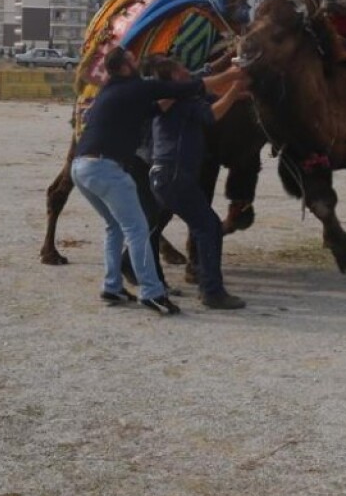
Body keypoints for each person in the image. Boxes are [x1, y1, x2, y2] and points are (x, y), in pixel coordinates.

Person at [70, 46, 243, 315]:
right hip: (106, 167)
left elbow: (157, 108)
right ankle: (152, 292)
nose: (136, 61)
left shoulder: (113, 90)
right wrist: (236, 74)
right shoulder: (138, 87)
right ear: (126, 68)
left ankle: (112, 285)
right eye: (132, 59)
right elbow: (201, 87)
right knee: (138, 229)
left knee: (115, 227)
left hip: (81, 166)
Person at [147, 56, 251, 310]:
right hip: (174, 174)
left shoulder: (178, 99)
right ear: (172, 78)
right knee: (209, 227)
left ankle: (128, 265)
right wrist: (235, 86)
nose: (186, 70)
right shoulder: (177, 99)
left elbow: (214, 101)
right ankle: (212, 291)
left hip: (164, 174)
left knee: (153, 226)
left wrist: (237, 94)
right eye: (180, 69)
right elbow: (212, 115)